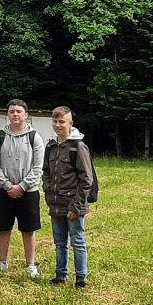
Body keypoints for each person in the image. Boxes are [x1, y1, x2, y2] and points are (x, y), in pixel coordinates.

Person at [0, 99, 45, 278]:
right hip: (3, 191)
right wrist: (7, 185)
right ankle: (2, 262)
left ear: (26, 115)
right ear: (8, 114)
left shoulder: (34, 137)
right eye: (12, 111)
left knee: (28, 229)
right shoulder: (0, 136)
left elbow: (38, 167)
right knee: (3, 227)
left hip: (28, 192)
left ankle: (30, 265)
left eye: (19, 111)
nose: (15, 114)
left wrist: (21, 186)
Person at [44, 106, 93, 289]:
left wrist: (76, 206)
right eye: (55, 121)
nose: (58, 125)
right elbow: (46, 173)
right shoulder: (51, 146)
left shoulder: (78, 147)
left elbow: (86, 179)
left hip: (73, 204)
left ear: (70, 123)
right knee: (59, 242)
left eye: (62, 121)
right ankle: (60, 275)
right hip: (56, 203)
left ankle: (81, 278)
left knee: (77, 242)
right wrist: (48, 191)